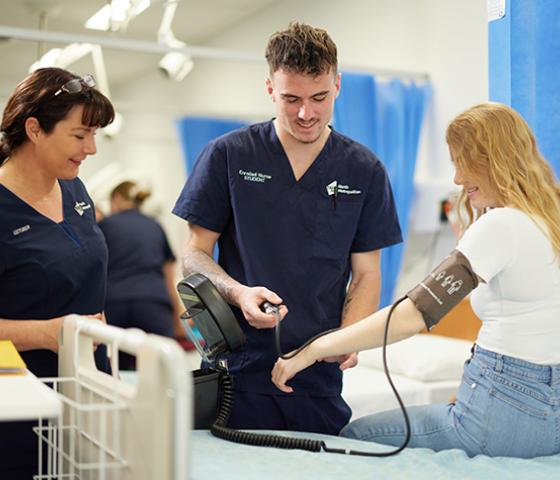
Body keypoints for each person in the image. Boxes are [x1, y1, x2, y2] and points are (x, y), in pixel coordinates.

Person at [272, 102, 560, 458]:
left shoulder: (501, 225)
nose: (456, 179)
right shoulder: (549, 220)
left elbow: (412, 315)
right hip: (550, 417)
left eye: (461, 162)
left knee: (352, 437)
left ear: (490, 158)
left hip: (501, 412)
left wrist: (314, 349)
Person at [173, 21, 402, 435]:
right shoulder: (227, 155)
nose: (305, 113)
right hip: (235, 373)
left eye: (319, 97)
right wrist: (238, 293)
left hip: (316, 378)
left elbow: (367, 273)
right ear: (269, 89)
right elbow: (193, 254)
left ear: (338, 84)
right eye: (290, 98)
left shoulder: (364, 170)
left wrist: (346, 339)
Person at [0, 68, 114, 478]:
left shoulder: (75, 190)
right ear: (34, 129)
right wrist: (48, 333)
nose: (92, 148)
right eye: (80, 135)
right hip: (17, 401)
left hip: (86, 389)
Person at [98, 181, 184, 369]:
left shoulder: (104, 226)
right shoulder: (155, 226)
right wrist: (177, 319)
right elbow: (168, 277)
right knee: (162, 371)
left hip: (114, 305)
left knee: (114, 374)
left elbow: (95, 272)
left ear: (117, 199)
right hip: (153, 304)